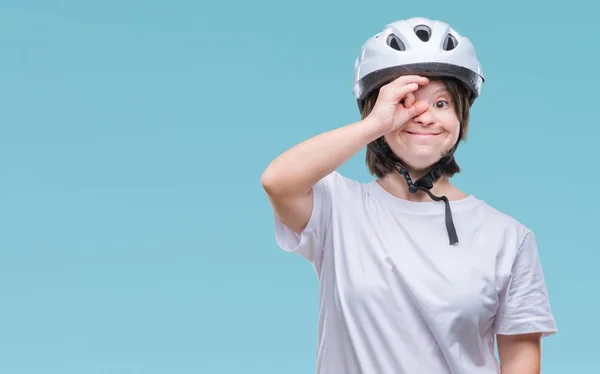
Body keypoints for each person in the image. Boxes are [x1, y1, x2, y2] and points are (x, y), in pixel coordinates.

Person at [261, 17, 557, 374]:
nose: (424, 117)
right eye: (406, 101)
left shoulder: (509, 238)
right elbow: (277, 181)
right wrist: (375, 124)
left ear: (461, 114)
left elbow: (520, 359)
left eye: (442, 103)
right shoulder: (337, 209)